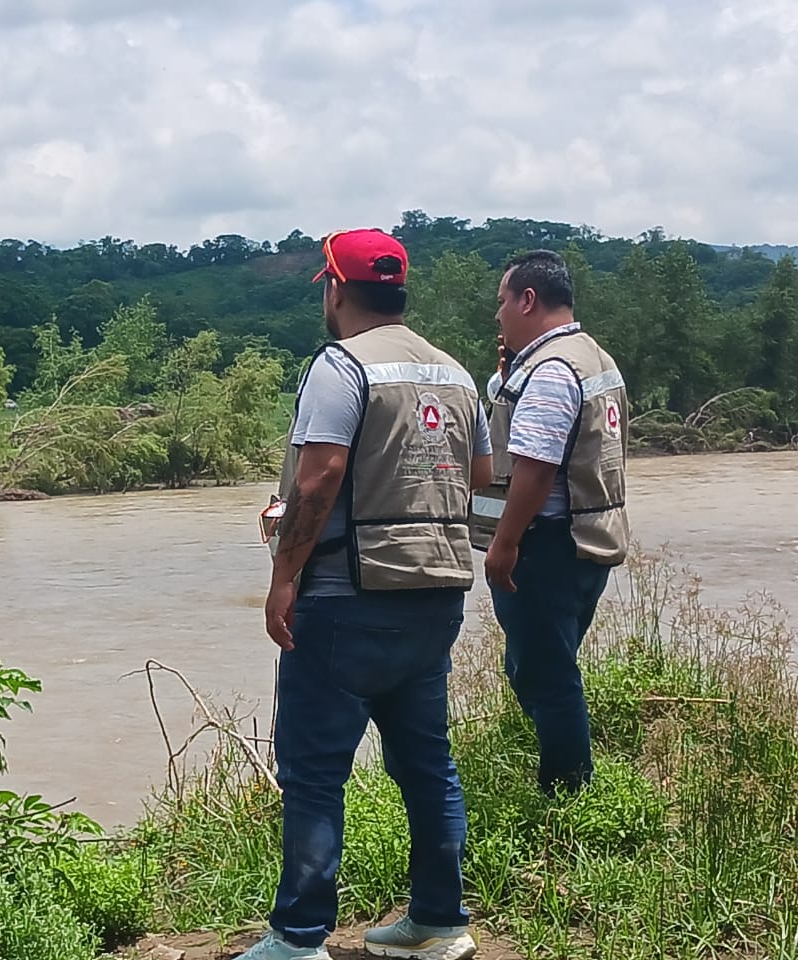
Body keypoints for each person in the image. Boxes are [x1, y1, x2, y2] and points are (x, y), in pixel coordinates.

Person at [251, 228, 492, 960]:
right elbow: (478, 474)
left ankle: (297, 939)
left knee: (314, 770)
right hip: (438, 591)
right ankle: (439, 923)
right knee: (427, 764)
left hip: (345, 594)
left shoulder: (340, 366)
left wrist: (283, 573)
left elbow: (320, 477)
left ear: (335, 288)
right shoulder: (453, 371)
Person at [470, 249, 630, 797]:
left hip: (547, 548)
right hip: (588, 542)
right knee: (540, 667)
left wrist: (504, 545)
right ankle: (565, 768)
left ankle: (566, 794)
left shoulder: (551, 369)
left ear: (527, 300)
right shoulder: (591, 357)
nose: (498, 316)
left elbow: (534, 470)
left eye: (502, 303)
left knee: (547, 675)